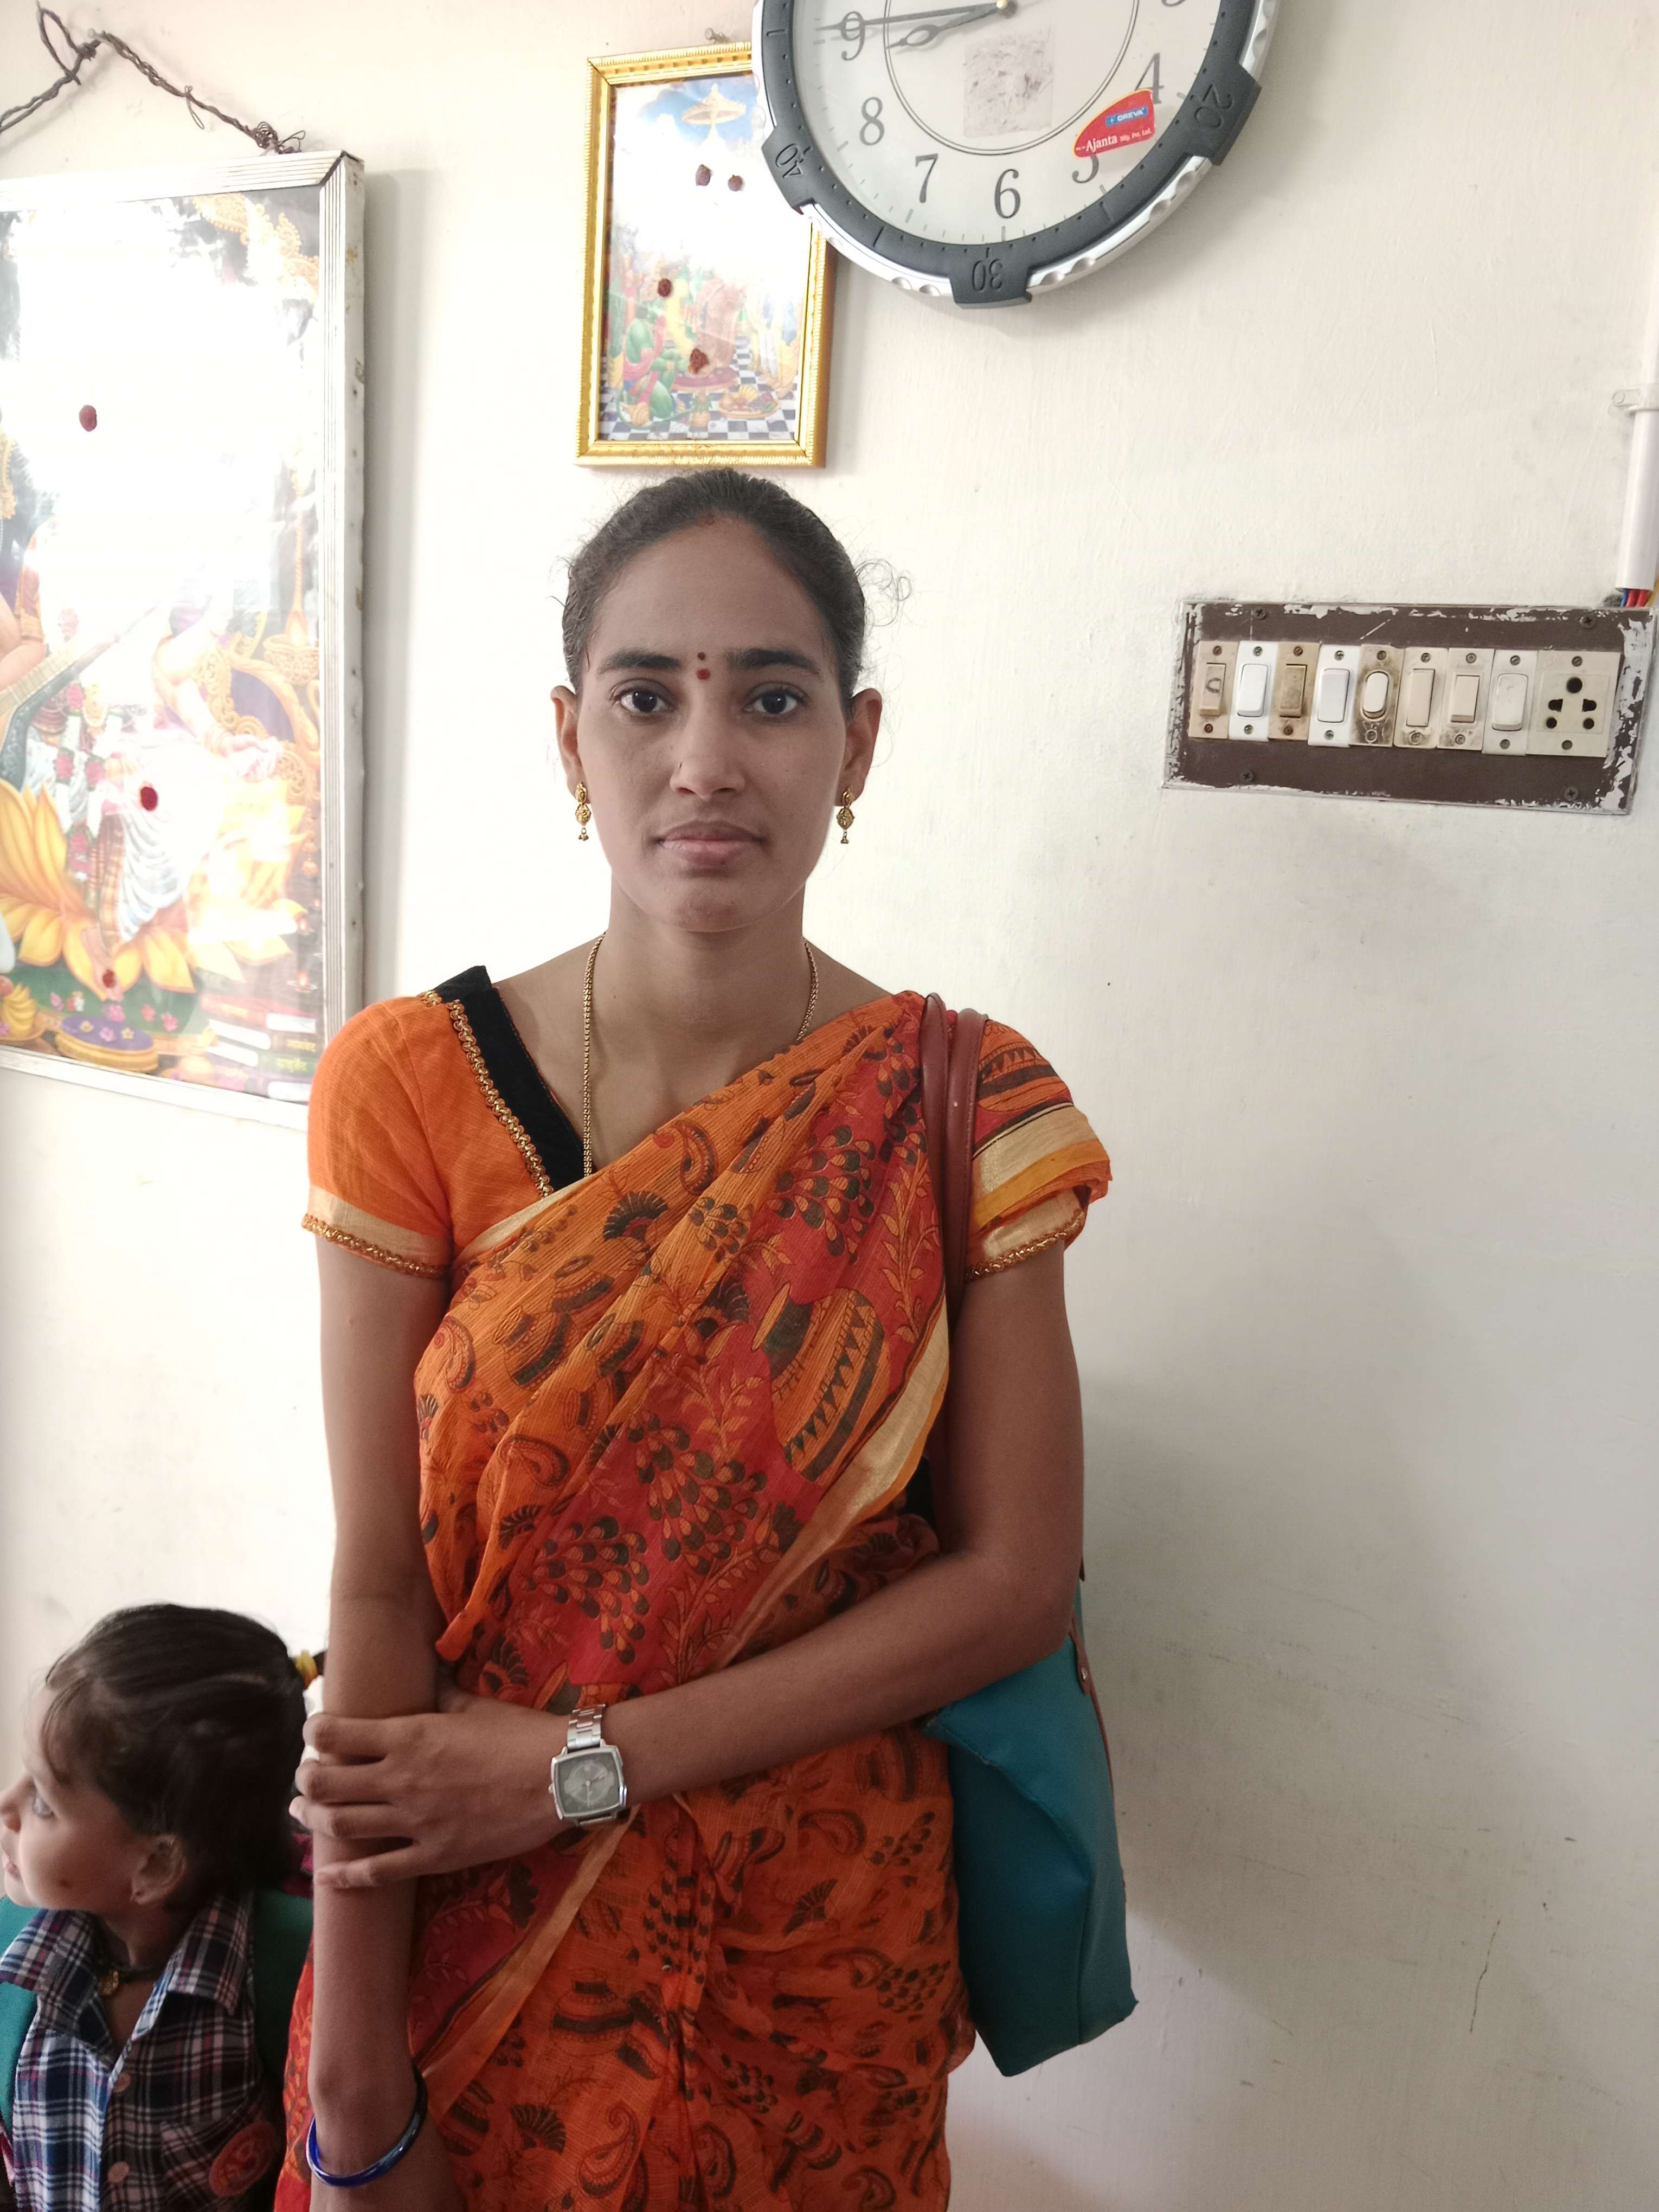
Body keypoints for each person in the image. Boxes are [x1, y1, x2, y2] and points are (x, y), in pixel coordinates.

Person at [284, 470, 1112, 2210]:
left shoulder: (960, 1106)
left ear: (856, 745)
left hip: (817, 1961)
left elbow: (1013, 1582)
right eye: (647, 696)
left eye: (774, 698)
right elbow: (380, 1586)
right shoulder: (410, 1087)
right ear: (570, 737)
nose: (707, 759)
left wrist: (573, 1772)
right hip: (475, 1921)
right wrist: (354, 2079)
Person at [0, 1605, 314, 2211]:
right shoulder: (11, 1965)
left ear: (155, 1865)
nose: (6, 1805)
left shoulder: (286, 1977)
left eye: (43, 1802)